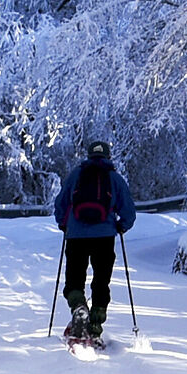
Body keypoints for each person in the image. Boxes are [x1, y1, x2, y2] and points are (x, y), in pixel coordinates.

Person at [52, 140, 136, 344]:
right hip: (104, 237)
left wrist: (64, 224)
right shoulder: (114, 178)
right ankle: (95, 326)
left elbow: (61, 202)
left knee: (74, 279)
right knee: (101, 282)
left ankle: (79, 307)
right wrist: (121, 226)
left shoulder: (76, 175)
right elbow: (128, 211)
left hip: (76, 236)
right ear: (108, 156)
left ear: (88, 156)